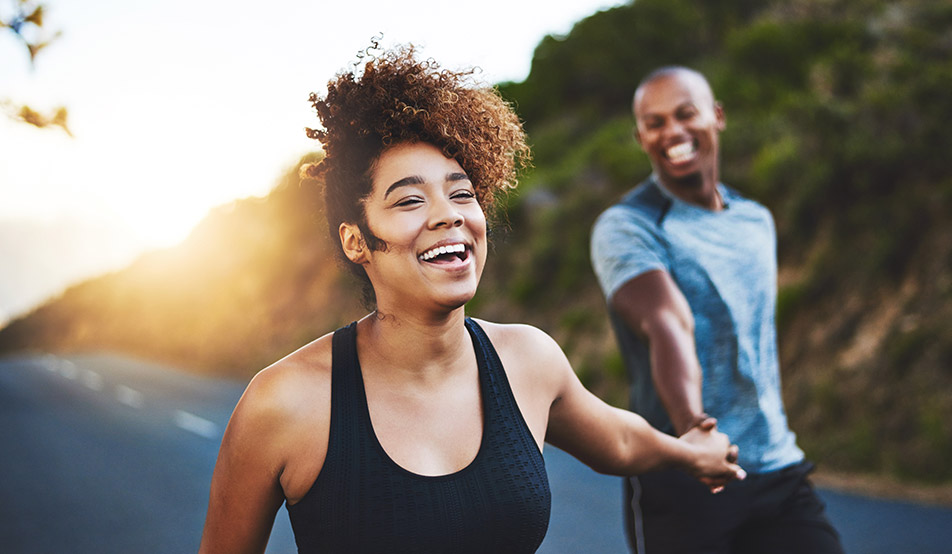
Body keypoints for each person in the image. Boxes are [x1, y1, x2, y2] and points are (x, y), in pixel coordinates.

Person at [198, 46, 745, 554]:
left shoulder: (528, 360)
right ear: (356, 239)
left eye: (461, 193)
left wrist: (691, 453)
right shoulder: (284, 402)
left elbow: (620, 441)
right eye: (409, 199)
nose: (448, 214)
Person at [589, 66, 844, 554]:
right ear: (641, 136)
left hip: (775, 467)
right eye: (655, 122)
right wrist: (694, 430)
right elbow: (667, 321)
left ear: (717, 116)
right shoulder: (626, 226)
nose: (673, 132)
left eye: (685, 114)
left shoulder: (756, 220)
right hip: (683, 473)